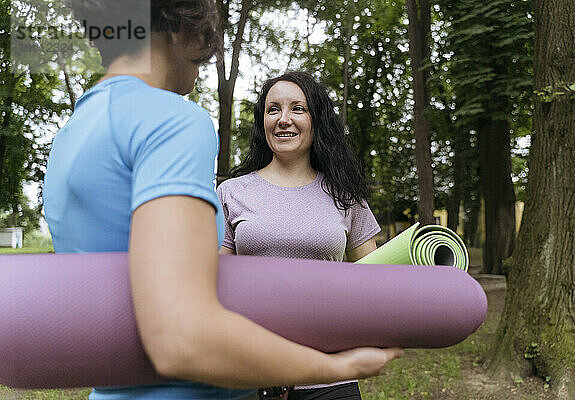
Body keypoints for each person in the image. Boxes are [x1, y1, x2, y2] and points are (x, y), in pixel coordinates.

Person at [42, 1, 402, 399]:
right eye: (206, 40)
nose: (204, 59)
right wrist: (336, 366)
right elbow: (181, 338)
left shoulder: (71, 133)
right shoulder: (172, 120)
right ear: (179, 27)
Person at [217, 71, 382, 400]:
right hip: (250, 374)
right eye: (273, 109)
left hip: (330, 376)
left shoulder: (345, 195)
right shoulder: (231, 193)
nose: (284, 120)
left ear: (316, 119)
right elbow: (218, 283)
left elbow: (374, 282)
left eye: (297, 109)